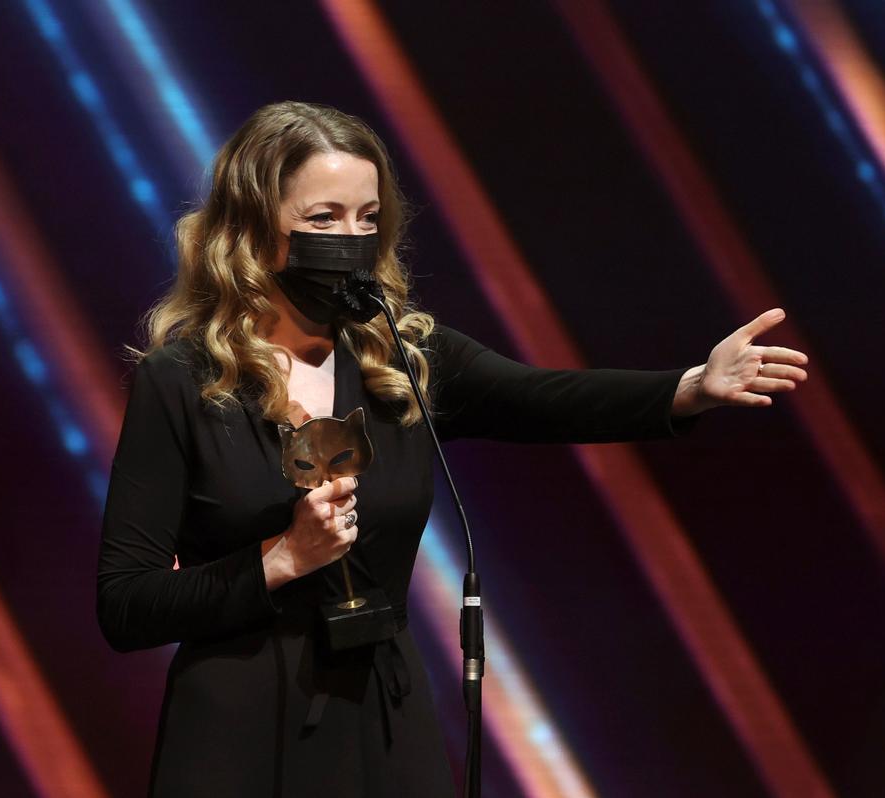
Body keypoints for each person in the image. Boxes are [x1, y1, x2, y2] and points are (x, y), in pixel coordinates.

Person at [96, 100, 809, 797]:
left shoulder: (404, 360)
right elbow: (127, 604)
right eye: (324, 218)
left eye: (367, 218)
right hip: (240, 736)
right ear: (253, 230)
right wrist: (280, 560)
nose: (352, 238)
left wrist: (690, 387)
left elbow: (548, 398)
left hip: (383, 718)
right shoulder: (184, 379)